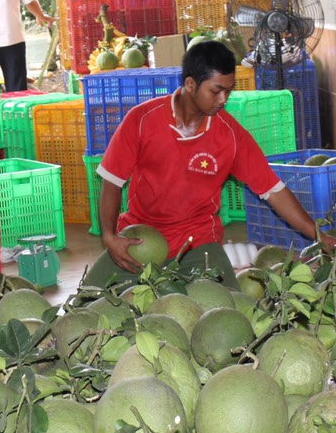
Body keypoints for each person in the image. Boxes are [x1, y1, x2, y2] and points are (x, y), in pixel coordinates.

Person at [84, 40, 319, 288]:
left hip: (198, 240)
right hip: (141, 236)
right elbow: (111, 181)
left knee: (223, 308)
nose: (223, 99)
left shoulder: (230, 136)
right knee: (85, 303)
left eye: (229, 91)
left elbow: (274, 191)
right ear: (190, 84)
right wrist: (110, 237)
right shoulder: (142, 120)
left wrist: (317, 234)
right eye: (216, 90)